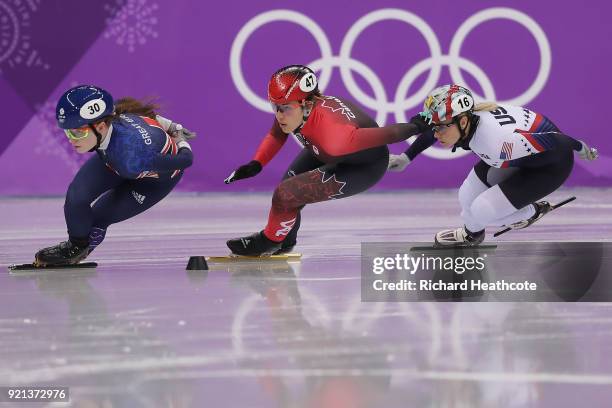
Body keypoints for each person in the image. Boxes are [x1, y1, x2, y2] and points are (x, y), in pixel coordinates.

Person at [224, 65, 431, 256]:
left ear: (305, 104)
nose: (279, 115)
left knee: (286, 194)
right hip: (324, 149)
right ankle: (284, 240)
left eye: (284, 108)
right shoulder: (297, 109)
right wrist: (256, 164)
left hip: (363, 167)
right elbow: (277, 134)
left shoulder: (335, 135)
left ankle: (268, 241)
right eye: (275, 107)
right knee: (287, 188)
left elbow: (389, 134)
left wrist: (418, 125)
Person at [389, 84, 598, 246]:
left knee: (482, 210)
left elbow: (556, 141)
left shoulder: (496, 143)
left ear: (462, 122)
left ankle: (532, 212)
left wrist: (582, 149)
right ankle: (472, 235)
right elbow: (431, 130)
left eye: (441, 128)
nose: (436, 133)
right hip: (523, 155)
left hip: (552, 164)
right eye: (435, 127)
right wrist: (406, 158)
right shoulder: (467, 121)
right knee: (466, 197)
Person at [34, 85, 195, 266]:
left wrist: (179, 138)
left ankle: (82, 247)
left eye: (77, 132)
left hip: (152, 182)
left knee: (98, 219)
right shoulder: (115, 116)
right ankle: (76, 246)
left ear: (101, 127)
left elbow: (185, 160)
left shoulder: (131, 158)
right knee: (76, 197)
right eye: (67, 131)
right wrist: (172, 126)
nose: (71, 139)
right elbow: (149, 116)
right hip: (117, 157)